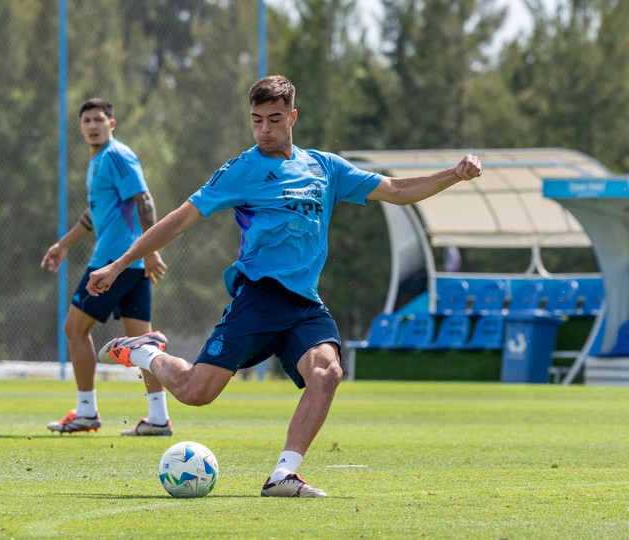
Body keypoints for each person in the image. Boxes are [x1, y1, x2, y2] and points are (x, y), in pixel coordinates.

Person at [87, 75, 483, 496]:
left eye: (275, 120)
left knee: (327, 372)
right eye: (257, 120)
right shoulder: (242, 169)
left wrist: (454, 174)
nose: (264, 130)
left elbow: (397, 190)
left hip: (304, 304)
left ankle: (283, 474)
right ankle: (144, 352)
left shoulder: (324, 168)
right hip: (259, 295)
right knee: (195, 392)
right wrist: (120, 263)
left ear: (293, 117)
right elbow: (181, 218)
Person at [41, 98, 172, 437]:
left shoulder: (116, 155)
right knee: (142, 344)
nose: (93, 125)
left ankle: (86, 412)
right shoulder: (98, 161)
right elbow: (93, 216)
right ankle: (158, 418)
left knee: (74, 329)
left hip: (114, 262)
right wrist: (64, 245)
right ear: (81, 127)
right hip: (130, 262)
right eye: (87, 120)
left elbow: (144, 200)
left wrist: (152, 249)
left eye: (99, 119)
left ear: (111, 124)